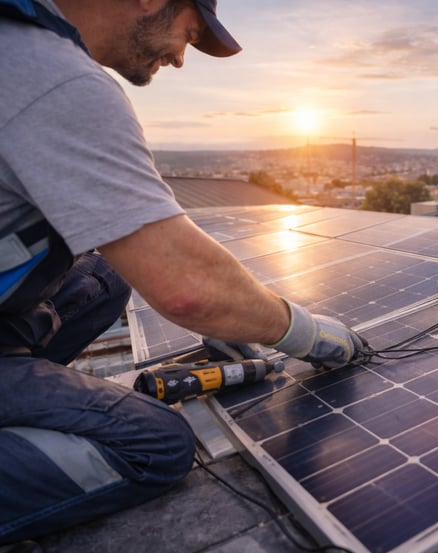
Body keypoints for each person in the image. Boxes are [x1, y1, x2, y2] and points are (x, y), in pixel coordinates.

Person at [0, 0, 365, 547]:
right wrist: (298, 329)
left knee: (105, 279)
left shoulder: (19, 42)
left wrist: (236, 309)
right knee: (158, 444)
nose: (180, 59)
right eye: (189, 36)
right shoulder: (56, 78)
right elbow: (186, 289)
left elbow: (152, 249)